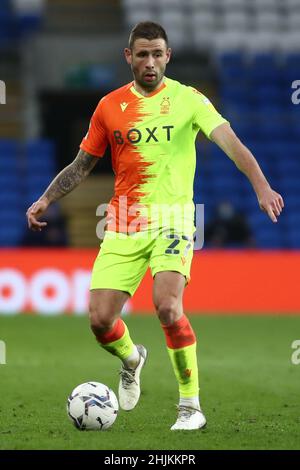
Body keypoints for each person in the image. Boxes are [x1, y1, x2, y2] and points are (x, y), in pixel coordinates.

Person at [26, 22, 284, 431]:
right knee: (99, 320)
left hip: (175, 219)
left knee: (167, 305)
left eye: (157, 53)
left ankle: (190, 406)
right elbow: (81, 166)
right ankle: (132, 358)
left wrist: (262, 186)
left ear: (168, 55)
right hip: (124, 220)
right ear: (128, 57)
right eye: (141, 54)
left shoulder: (189, 100)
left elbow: (233, 144)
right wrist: (45, 198)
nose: (150, 62)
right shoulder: (109, 106)